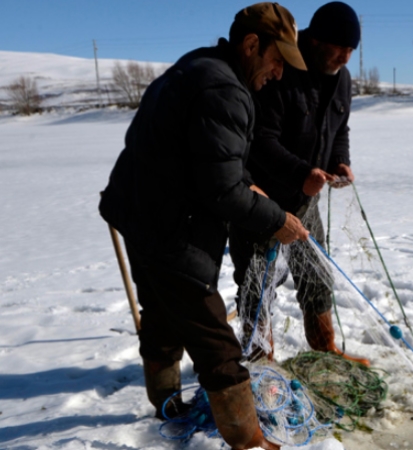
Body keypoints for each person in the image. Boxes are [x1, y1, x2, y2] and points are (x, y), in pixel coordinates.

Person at [98, 3, 308, 449]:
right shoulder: (225, 90)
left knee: (160, 314)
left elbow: (207, 159)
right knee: (218, 346)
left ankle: (165, 401)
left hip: (136, 213)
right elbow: (220, 191)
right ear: (252, 45)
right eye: (276, 61)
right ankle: (250, 442)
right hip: (170, 230)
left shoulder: (198, 65)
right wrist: (276, 220)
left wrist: (252, 187)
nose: (278, 74)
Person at [229, 2, 369, 366]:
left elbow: (340, 130)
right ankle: (261, 361)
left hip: (305, 200)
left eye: (352, 50)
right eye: (340, 48)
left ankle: (324, 349)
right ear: (316, 40)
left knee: (318, 274)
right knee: (256, 285)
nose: (346, 57)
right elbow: (260, 140)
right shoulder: (281, 70)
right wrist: (301, 174)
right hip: (259, 198)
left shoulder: (342, 79)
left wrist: (341, 162)